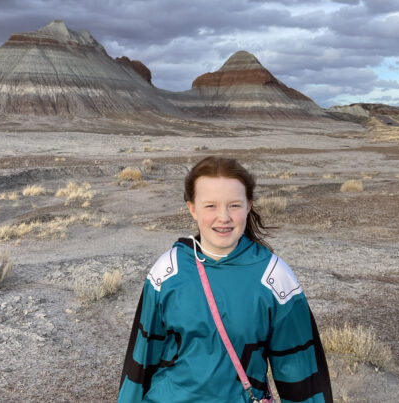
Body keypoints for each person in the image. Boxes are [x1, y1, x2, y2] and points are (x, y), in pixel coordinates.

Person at [118, 156, 332, 403]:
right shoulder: (167, 271)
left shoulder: (274, 277)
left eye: (234, 205)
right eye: (210, 206)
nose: (224, 217)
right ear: (192, 208)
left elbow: (301, 374)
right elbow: (140, 363)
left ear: (249, 205)